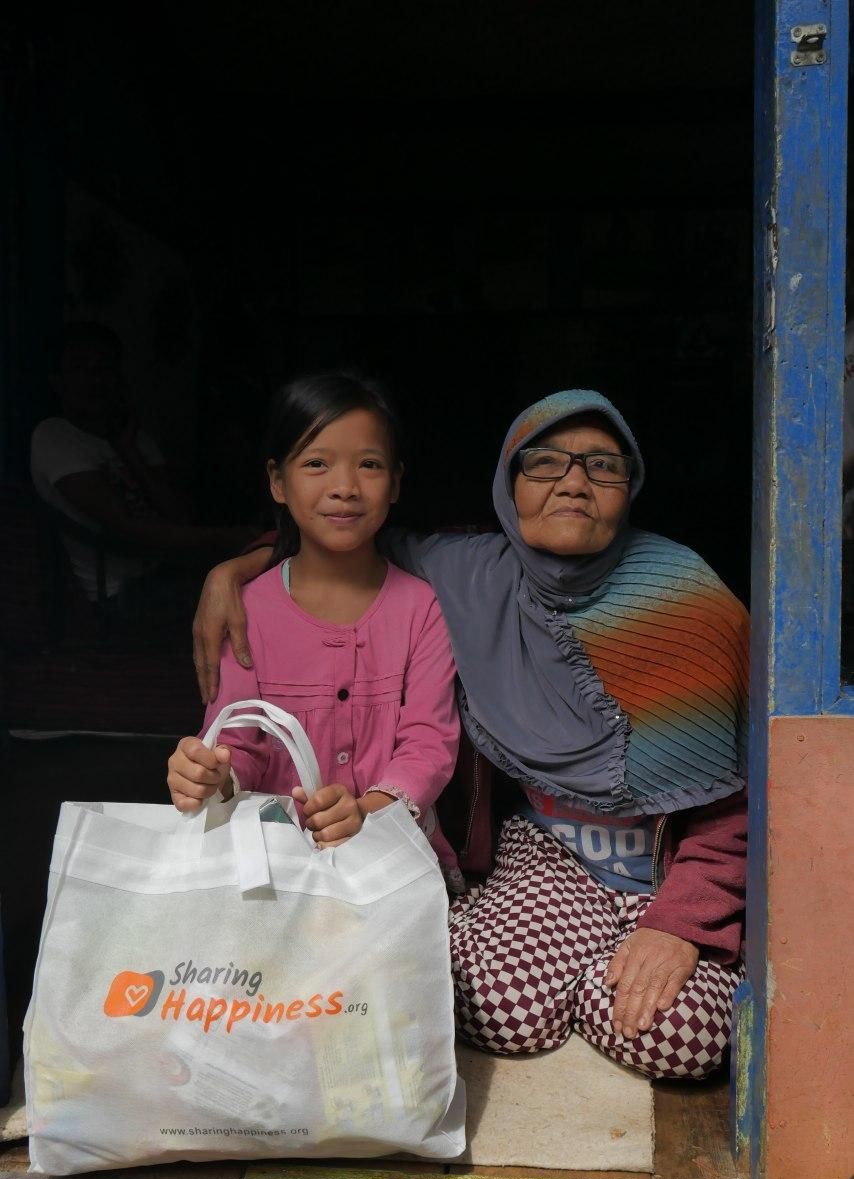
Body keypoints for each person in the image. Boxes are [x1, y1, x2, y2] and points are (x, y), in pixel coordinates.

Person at [191, 389, 749, 1080]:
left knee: (681, 1037)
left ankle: (584, 973)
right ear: (509, 487)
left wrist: (678, 926)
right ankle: (564, 968)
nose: (573, 482)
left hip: (668, 872)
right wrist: (232, 569)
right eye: (544, 462)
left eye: (603, 466)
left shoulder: (689, 601)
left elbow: (737, 805)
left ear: (631, 487)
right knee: (489, 1008)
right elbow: (344, 536)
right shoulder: (468, 575)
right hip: (549, 858)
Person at [168, 371, 461, 871]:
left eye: (369, 464)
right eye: (316, 464)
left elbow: (427, 744)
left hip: (390, 865)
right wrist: (212, 775)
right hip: (272, 868)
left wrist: (368, 812)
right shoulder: (246, 611)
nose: (344, 487)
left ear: (395, 482)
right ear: (278, 482)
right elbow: (239, 744)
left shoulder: (422, 608)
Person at [30, 322, 253, 615]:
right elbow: (128, 529)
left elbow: (178, 513)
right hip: (119, 591)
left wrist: (129, 453)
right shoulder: (55, 437)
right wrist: (228, 538)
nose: (95, 380)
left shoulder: (132, 437)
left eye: (104, 368)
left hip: (166, 570)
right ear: (58, 381)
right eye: (80, 368)